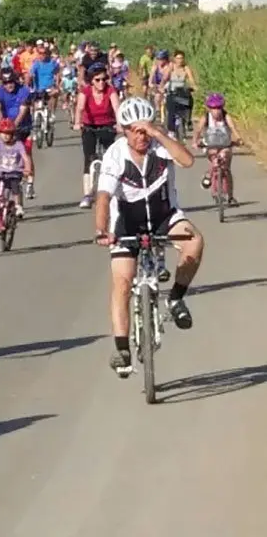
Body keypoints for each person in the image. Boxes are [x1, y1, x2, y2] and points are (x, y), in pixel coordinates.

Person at [94, 97, 204, 372]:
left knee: (195, 241)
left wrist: (158, 133)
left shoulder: (160, 146)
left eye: (145, 129)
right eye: (135, 130)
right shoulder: (115, 155)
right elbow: (104, 197)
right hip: (127, 223)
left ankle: (176, 297)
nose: (141, 136)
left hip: (164, 215)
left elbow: (188, 161)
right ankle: (122, 350)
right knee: (122, 282)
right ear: (124, 130)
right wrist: (102, 230)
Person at [73, 63, 122, 209]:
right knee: (89, 158)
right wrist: (77, 123)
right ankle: (87, 194)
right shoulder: (85, 91)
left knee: (110, 158)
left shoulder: (111, 90)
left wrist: (119, 124)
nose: (101, 83)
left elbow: (117, 108)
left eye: (103, 79)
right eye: (97, 80)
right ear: (91, 81)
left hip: (107, 126)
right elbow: (80, 108)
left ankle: (112, 191)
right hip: (89, 127)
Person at [191, 92, 245, 205]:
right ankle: (210, 176)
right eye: (213, 108)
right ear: (209, 109)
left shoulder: (226, 117)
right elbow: (198, 130)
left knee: (226, 165)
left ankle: (230, 196)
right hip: (210, 145)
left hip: (225, 145)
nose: (216, 111)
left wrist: (239, 139)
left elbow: (233, 128)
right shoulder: (205, 118)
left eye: (218, 108)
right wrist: (195, 142)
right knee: (214, 156)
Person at [0, 68, 36, 198]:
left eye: (11, 81)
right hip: (7, 129)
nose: (8, 85)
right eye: (5, 82)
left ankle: (30, 182)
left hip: (23, 128)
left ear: (15, 81)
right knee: (1, 151)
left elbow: (22, 111)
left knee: (26, 153)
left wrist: (13, 126)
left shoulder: (24, 91)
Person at [160, 49, 198, 135]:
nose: (179, 60)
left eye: (181, 58)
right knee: (171, 111)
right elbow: (164, 78)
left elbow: (192, 80)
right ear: (174, 59)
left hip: (183, 93)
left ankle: (188, 120)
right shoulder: (171, 67)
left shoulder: (186, 68)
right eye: (178, 58)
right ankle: (171, 130)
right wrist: (161, 87)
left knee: (189, 101)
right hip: (173, 93)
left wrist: (194, 86)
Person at [30, 44, 61, 121]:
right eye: (40, 53)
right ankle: (35, 123)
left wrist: (57, 83)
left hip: (49, 87)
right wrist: (29, 82)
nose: (42, 55)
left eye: (44, 53)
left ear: (47, 54)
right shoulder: (36, 63)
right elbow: (30, 74)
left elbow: (57, 72)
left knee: (55, 93)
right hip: (38, 88)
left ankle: (52, 113)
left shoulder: (52, 63)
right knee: (33, 102)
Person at [149, 50, 171, 122]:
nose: (159, 61)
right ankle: (158, 111)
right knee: (157, 96)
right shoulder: (155, 66)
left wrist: (162, 87)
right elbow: (151, 76)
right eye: (158, 59)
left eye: (161, 59)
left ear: (165, 59)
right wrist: (150, 83)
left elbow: (165, 78)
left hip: (167, 85)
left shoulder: (169, 66)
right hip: (157, 85)